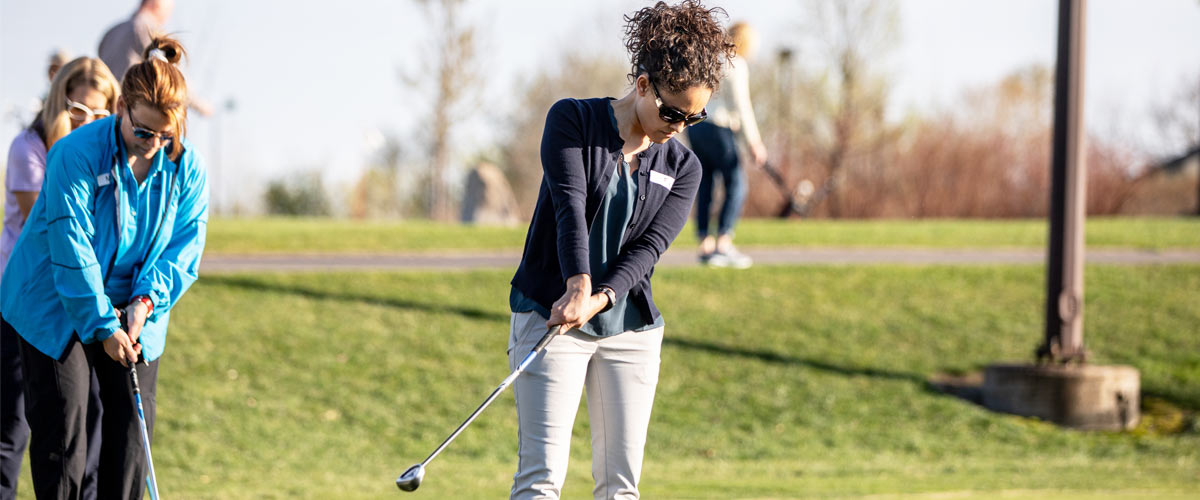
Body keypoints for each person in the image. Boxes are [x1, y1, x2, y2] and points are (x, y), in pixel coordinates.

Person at [506, 1, 733, 498]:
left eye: (694, 118)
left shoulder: (683, 167)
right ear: (644, 84)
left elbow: (649, 249)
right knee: (540, 480)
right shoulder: (572, 120)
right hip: (552, 313)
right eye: (673, 111)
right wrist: (577, 287)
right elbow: (568, 206)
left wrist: (599, 297)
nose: (679, 126)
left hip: (629, 328)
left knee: (620, 487)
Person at [0, 36, 208, 499]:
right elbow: (71, 250)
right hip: (52, 301)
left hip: (135, 305)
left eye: (165, 136)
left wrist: (145, 301)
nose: (153, 145)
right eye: (143, 132)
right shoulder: (73, 154)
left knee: (131, 446)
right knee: (66, 443)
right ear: (122, 110)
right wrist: (101, 326)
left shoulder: (187, 169)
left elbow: (183, 247)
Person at [1, 56, 120, 500]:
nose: (88, 122)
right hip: (27, 304)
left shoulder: (103, 157)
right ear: (59, 104)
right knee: (15, 425)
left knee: (86, 426)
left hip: (79, 302)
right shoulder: (30, 148)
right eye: (78, 111)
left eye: (101, 114)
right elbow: (51, 225)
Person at [688, 21, 768, 269]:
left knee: (706, 184)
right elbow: (741, 106)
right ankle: (724, 242)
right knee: (737, 183)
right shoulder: (737, 64)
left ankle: (706, 245)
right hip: (720, 129)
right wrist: (754, 142)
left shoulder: (712, 59)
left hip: (697, 126)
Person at [98, 0, 174, 82]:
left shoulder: (112, 31)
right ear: (156, 6)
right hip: (129, 91)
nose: (166, 20)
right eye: (167, 13)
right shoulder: (150, 31)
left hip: (106, 91)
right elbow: (168, 74)